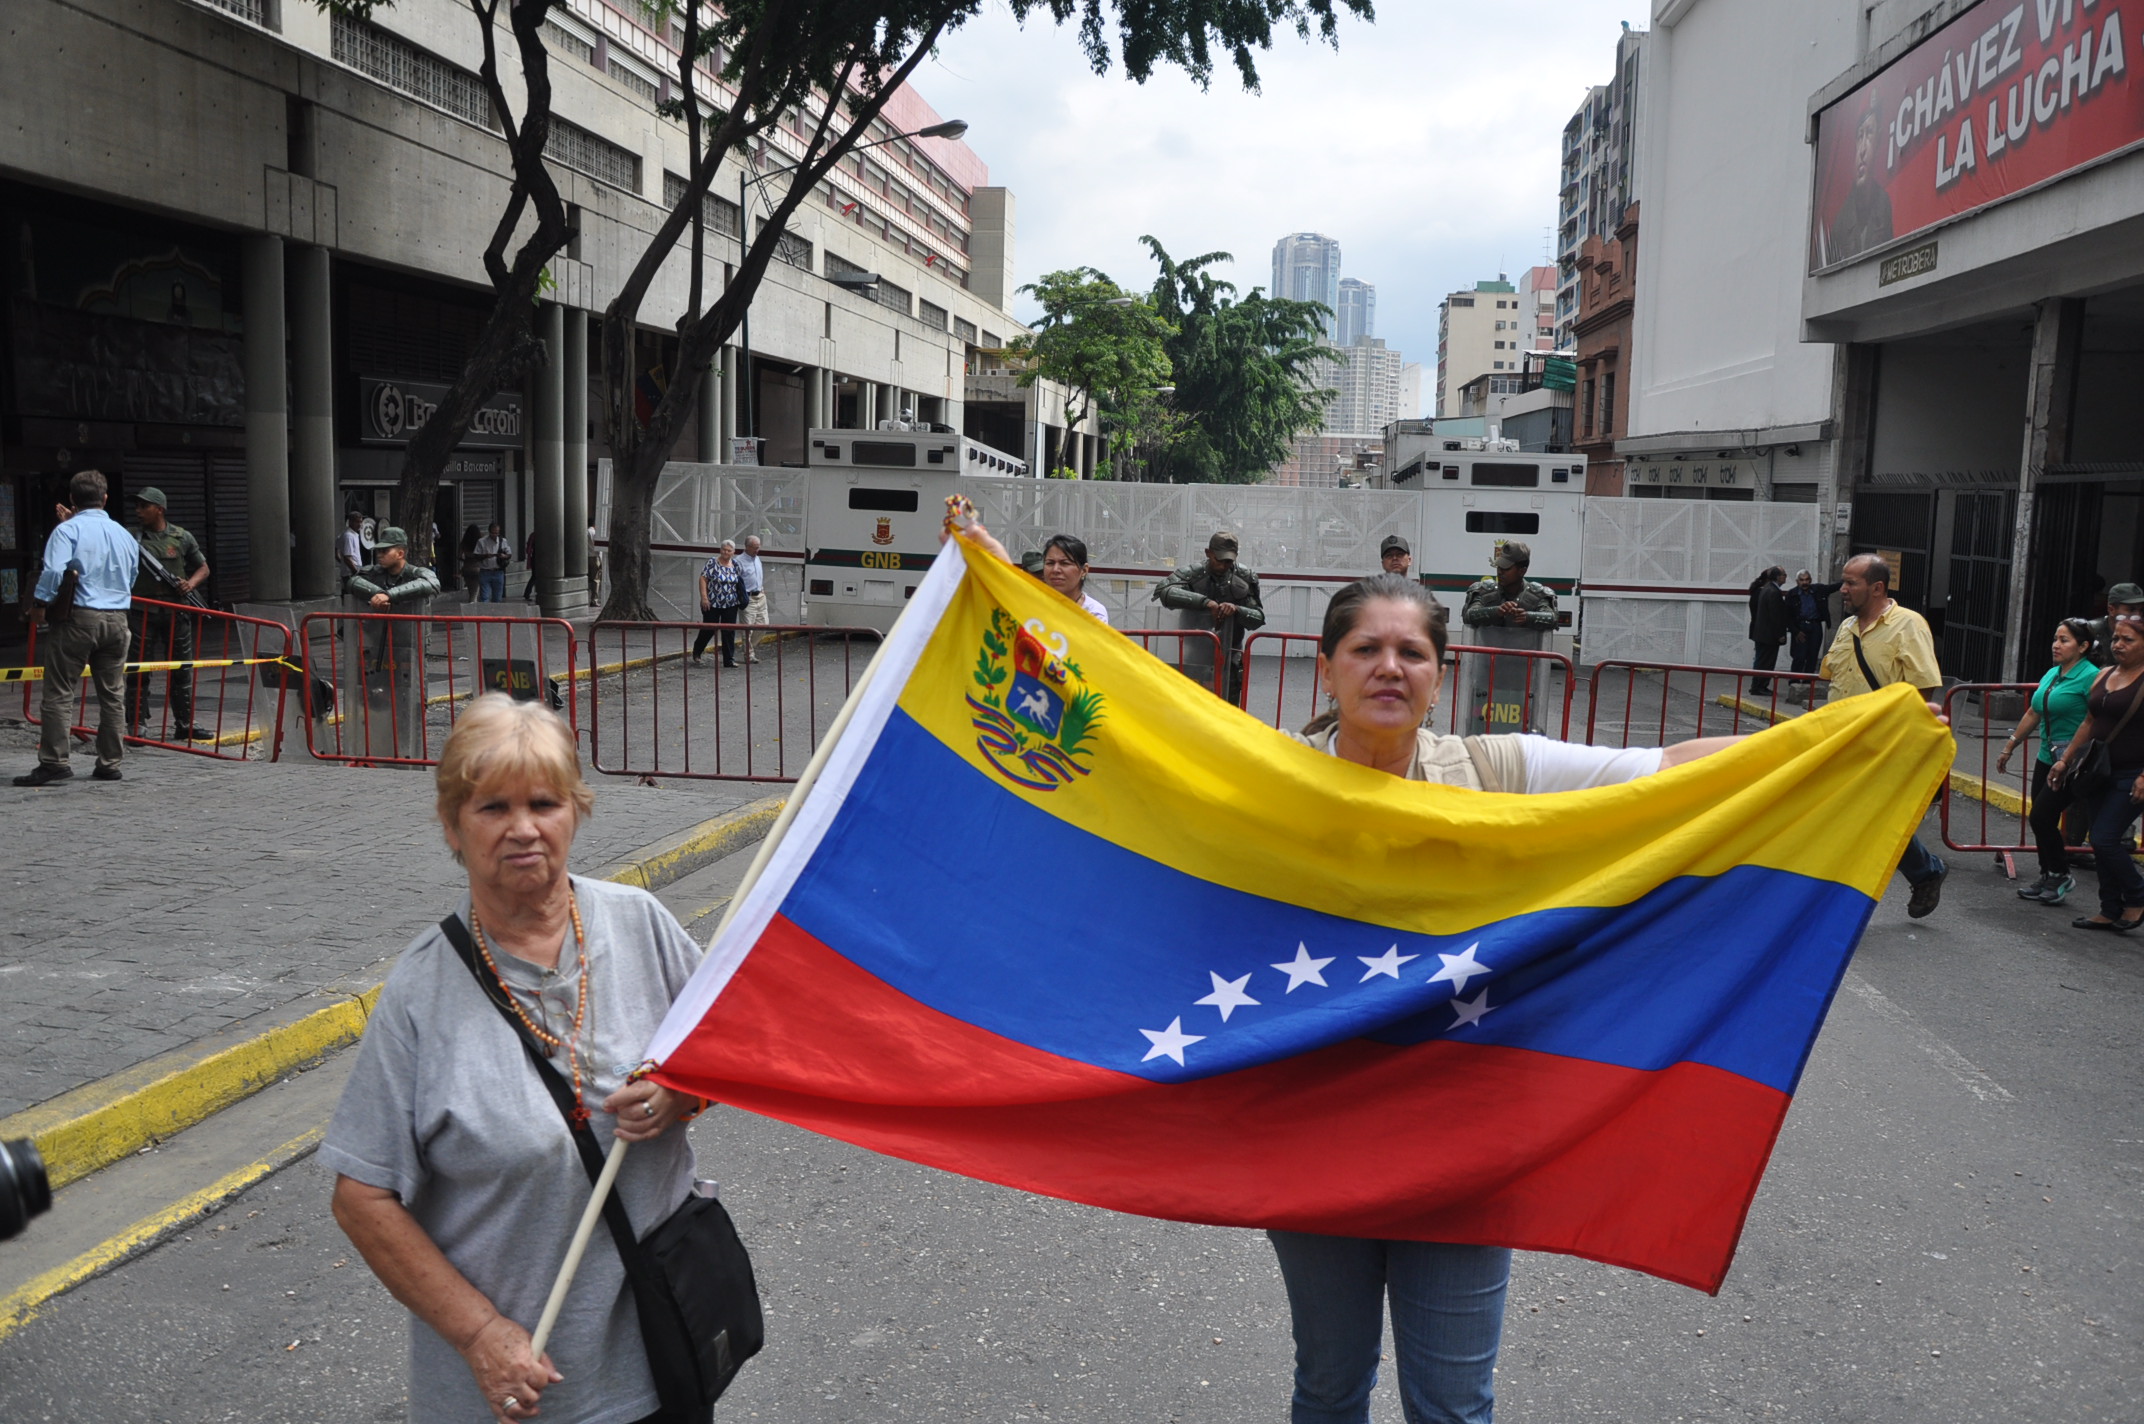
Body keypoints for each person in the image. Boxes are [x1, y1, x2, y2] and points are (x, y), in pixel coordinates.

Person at [321, 695, 707, 1424]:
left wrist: (681, 1096)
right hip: (511, 1394)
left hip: (659, 1364)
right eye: (492, 807)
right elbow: (360, 1197)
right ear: (452, 827)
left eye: (544, 802)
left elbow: (725, 1060)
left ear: (576, 812)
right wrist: (479, 1333)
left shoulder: (639, 923)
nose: (523, 829)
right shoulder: (420, 992)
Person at [1820, 552, 1948, 917]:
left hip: (1885, 744)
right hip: (1841, 740)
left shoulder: (1908, 625)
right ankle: (1926, 871)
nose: (1842, 589)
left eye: (1851, 583)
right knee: (1864, 818)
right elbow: (1831, 679)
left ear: (1877, 587)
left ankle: (1837, 903)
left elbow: (1924, 689)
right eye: (1843, 582)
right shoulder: (1847, 627)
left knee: (1860, 819)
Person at [17, 470, 139, 787]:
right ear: (105, 498)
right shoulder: (124, 534)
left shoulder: (66, 531)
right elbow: (133, 574)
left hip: (79, 618)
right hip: (118, 618)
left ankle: (55, 761)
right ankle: (110, 763)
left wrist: (40, 604)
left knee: (59, 692)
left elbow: (54, 570)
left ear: (72, 498)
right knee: (113, 695)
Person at [2048, 616, 2144, 933]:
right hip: (2098, 772)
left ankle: (2137, 895)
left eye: (2128, 639)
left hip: (2131, 774)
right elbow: (2089, 722)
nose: (2118, 644)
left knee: (2104, 838)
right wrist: (2065, 761)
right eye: (2116, 638)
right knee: (2098, 840)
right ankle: (2109, 908)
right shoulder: (2104, 675)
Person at [1997, 618, 2097, 905]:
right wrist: (2010, 746)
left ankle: (2060, 874)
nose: (2056, 644)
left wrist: (2067, 759)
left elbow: (2094, 720)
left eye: (2064, 640)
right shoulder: (2053, 674)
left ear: (2083, 646)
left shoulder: (2091, 677)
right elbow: (2034, 712)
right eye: (2055, 638)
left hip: (2074, 761)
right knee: (2042, 819)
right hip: (2046, 757)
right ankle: (2047, 873)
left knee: (2041, 815)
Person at [126, 485, 212, 741]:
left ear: (159, 509)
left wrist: (191, 583)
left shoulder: (181, 536)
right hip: (142, 612)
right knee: (138, 669)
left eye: (144, 506)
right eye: (137, 506)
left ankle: (185, 722)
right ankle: (136, 722)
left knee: (182, 669)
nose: (138, 511)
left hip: (177, 612)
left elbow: (203, 568)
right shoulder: (131, 537)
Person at [1155, 531, 1264, 703]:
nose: (1223, 565)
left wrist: (1236, 609)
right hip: (1195, 654)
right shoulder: (1194, 574)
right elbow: (1163, 592)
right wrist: (1206, 603)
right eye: (1219, 560)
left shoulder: (1245, 577)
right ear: (1208, 553)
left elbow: (1258, 617)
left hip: (1230, 656)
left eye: (1228, 561)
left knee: (1228, 710)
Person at [1824, 104, 1894, 264]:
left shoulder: (1883, 203)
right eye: (1859, 136)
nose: (1862, 149)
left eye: (1869, 134)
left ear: (1879, 139)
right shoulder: (1841, 222)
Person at [1460, 542, 1558, 632]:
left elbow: (1553, 619)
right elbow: (1468, 616)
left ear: (1522, 571)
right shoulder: (1483, 591)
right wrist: (1496, 612)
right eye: (1499, 567)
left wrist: (1528, 617)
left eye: (1506, 568)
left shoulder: (1538, 595)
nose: (1500, 572)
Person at [1785, 569, 1840, 702]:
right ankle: (1795, 681)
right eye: (1802, 580)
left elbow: (1833, 587)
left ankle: (1809, 682)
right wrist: (1796, 631)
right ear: (1797, 581)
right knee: (1799, 655)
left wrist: (1848, 579)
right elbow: (1787, 616)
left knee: (1812, 654)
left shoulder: (1818, 590)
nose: (1805, 583)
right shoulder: (1792, 594)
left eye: (1807, 580)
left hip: (1815, 625)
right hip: (1800, 626)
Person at [692, 541, 746, 668]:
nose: (725, 552)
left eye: (728, 550)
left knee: (728, 631)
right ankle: (697, 651)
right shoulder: (712, 562)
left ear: (733, 552)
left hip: (731, 603)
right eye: (723, 549)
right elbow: (703, 579)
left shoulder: (736, 565)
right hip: (713, 602)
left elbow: (739, 582)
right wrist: (704, 597)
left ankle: (729, 659)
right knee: (709, 629)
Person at [1040, 534, 1109, 624]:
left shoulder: (1093, 613)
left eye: (1064, 563)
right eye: (1050, 563)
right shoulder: (1031, 605)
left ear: (1084, 570)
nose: (1055, 570)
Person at [1746, 566, 1788, 696]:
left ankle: (1758, 685)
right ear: (1778, 577)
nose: (1785, 577)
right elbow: (1775, 616)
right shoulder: (1773, 592)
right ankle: (1760, 686)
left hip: (1762, 634)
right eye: (1784, 575)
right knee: (1766, 662)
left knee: (1761, 661)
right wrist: (1780, 634)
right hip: (1768, 636)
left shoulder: (1767, 589)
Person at [2084, 581, 2144, 666]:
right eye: (2131, 610)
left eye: (2141, 610)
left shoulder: (2141, 634)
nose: (2138, 615)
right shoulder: (2090, 631)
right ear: (2111, 610)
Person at [735, 534, 767, 662]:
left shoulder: (757, 558)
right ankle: (748, 654)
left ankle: (749, 648)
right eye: (754, 548)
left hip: (760, 595)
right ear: (747, 547)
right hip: (748, 598)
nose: (757, 550)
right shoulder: (739, 561)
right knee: (747, 628)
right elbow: (736, 580)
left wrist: (762, 588)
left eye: (758, 547)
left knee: (763, 625)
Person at [476, 523, 513, 604]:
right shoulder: (481, 541)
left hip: (498, 572)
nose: (495, 535)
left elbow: (509, 554)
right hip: (485, 571)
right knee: (484, 597)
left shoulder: (503, 541)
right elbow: (476, 556)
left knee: (497, 598)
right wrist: (485, 556)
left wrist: (504, 556)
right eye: (493, 533)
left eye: (497, 533)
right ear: (489, 532)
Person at [455, 523, 482, 601]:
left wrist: (466, 560)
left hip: (466, 569)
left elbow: (459, 556)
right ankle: (473, 607)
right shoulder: (480, 543)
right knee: (475, 592)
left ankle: (472, 604)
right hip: (477, 569)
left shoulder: (464, 543)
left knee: (471, 591)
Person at [338, 510, 369, 579]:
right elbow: (347, 558)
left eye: (361, 522)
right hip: (351, 572)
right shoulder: (349, 536)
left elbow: (336, 551)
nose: (360, 524)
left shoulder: (353, 534)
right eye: (357, 522)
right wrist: (355, 571)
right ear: (350, 522)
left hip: (353, 569)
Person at [522, 528, 539, 602]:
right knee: (534, 577)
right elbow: (529, 549)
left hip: (535, 558)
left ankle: (527, 593)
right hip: (536, 559)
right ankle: (527, 594)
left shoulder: (533, 535)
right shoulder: (534, 536)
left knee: (534, 577)